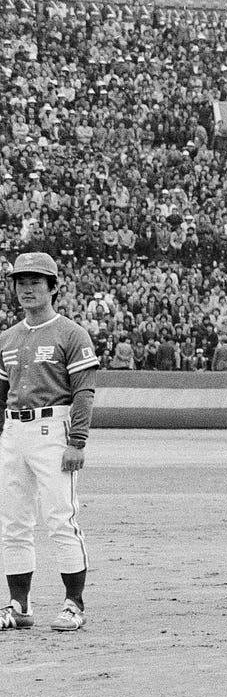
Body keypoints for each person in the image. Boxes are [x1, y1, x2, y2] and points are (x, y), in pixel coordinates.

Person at [0, 253, 99, 633]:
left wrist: (77, 441)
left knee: (61, 518)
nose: (27, 288)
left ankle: (74, 603)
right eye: (20, 282)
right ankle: (18, 605)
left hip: (52, 429)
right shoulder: (7, 337)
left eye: (36, 282)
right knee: (13, 522)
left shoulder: (70, 333)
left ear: (53, 287)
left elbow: (84, 392)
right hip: (14, 431)